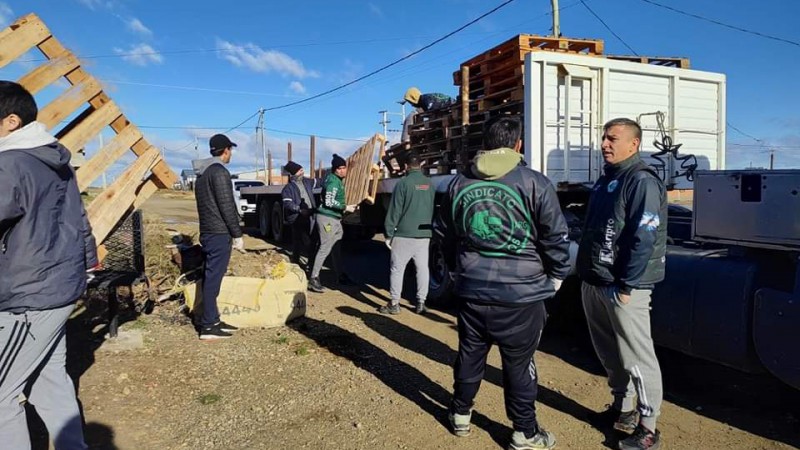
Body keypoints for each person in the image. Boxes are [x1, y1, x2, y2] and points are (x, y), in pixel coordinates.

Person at [434, 115, 571, 450]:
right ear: (518, 144)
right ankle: (524, 432)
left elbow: (444, 235)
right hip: (521, 296)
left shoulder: (457, 184)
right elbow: (555, 236)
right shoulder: (535, 182)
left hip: (472, 291)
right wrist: (557, 274)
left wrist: (456, 271)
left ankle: (460, 415)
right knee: (520, 364)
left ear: (485, 142)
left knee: (469, 354)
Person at [0, 81, 96, 449]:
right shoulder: (55, 159)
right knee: (49, 380)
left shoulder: (10, 163)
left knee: (2, 395)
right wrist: (87, 265)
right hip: (58, 287)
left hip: (27, 295)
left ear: (10, 121)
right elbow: (79, 218)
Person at [576, 118, 667, 450]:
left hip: (624, 287)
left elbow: (645, 235)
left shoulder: (641, 181)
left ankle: (648, 427)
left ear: (634, 143)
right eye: (603, 138)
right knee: (609, 353)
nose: (604, 144)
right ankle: (623, 408)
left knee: (636, 358)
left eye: (612, 138)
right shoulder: (606, 179)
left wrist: (628, 286)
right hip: (596, 281)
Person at [192, 133, 244, 340]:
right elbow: (227, 206)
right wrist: (237, 234)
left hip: (207, 231)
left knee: (209, 276)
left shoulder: (202, 174)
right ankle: (208, 326)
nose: (231, 153)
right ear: (225, 150)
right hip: (219, 233)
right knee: (214, 279)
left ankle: (212, 318)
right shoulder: (220, 173)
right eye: (230, 149)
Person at [380, 151, 435, 315]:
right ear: (421, 165)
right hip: (424, 234)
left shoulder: (403, 184)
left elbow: (395, 210)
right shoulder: (429, 184)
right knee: (422, 269)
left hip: (404, 233)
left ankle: (395, 304)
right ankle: (421, 303)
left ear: (405, 166)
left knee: (397, 269)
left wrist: (389, 232)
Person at [308, 154, 357, 293]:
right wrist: (345, 207)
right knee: (325, 247)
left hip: (335, 218)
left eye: (344, 167)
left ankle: (340, 275)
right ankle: (314, 278)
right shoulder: (333, 182)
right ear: (335, 170)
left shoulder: (336, 180)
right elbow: (329, 202)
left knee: (336, 246)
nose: (343, 170)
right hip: (327, 218)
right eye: (340, 168)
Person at [281, 160, 318, 272]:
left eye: (302, 170)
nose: (303, 172)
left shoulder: (307, 182)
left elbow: (320, 181)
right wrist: (300, 210)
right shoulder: (288, 188)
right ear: (294, 173)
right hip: (298, 218)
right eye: (300, 170)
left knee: (311, 241)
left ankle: (308, 264)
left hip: (310, 216)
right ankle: (297, 263)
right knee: (302, 241)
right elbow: (287, 203)